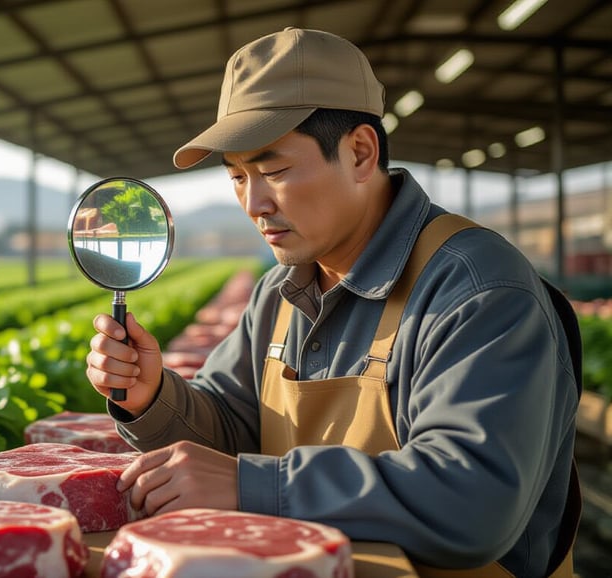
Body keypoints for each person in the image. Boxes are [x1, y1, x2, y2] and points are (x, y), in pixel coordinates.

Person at [85, 27, 580, 577]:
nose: (255, 203)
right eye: (237, 177)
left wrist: (253, 486)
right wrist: (154, 398)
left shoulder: (476, 289)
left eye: (273, 170)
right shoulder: (278, 295)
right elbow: (233, 427)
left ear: (361, 153)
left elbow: (473, 501)